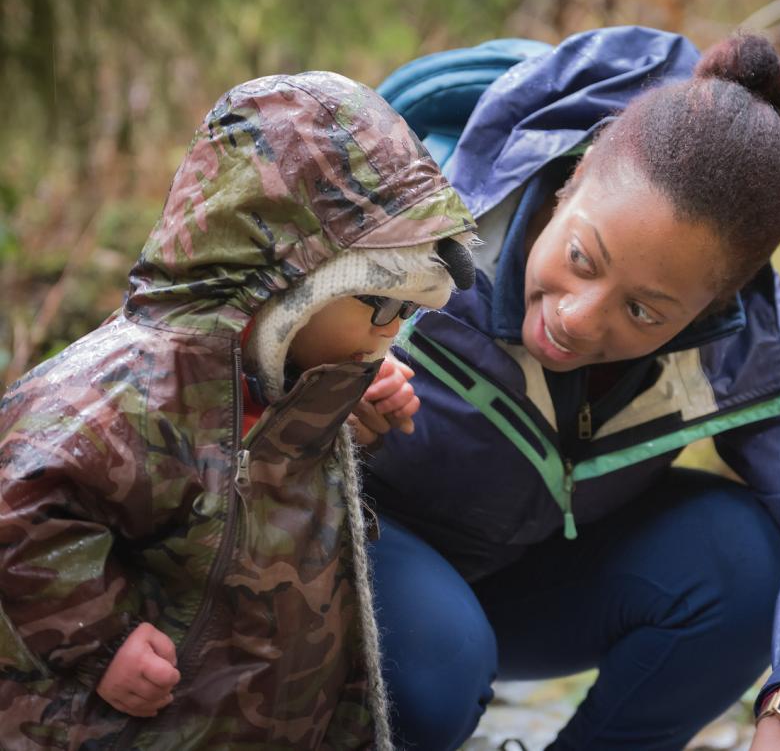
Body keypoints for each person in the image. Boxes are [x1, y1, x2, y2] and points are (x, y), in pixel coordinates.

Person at [364, 28, 780, 750]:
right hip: (360, 552)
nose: (575, 318)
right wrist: (318, 403)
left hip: (520, 575)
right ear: (575, 178)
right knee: (434, 671)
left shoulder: (743, 341)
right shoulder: (415, 209)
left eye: (644, 310)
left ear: (717, 304)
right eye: (583, 257)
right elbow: (204, 364)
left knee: (744, 560)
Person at [0, 71, 477, 750]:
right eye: (382, 306)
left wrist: (344, 410)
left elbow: (263, 498)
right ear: (285, 290)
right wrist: (99, 639)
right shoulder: (129, 393)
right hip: (142, 720)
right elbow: (17, 507)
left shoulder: (294, 375)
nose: (393, 332)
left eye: (410, 311)